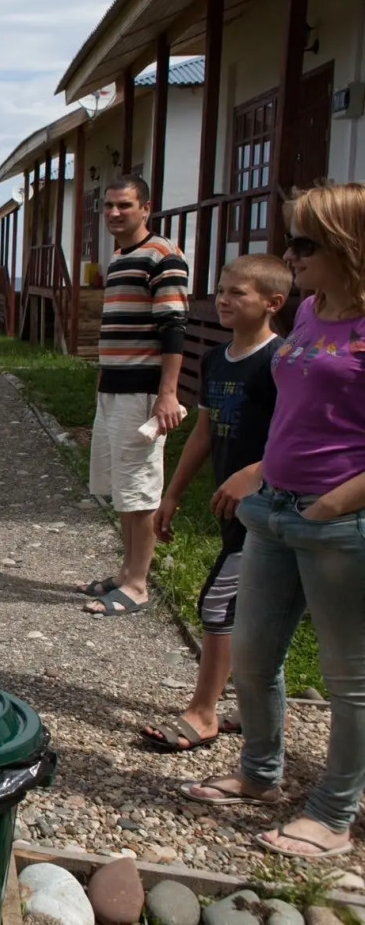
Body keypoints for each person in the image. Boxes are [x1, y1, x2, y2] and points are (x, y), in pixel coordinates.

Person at [180, 182, 365, 860]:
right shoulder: (312, 314)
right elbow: (294, 414)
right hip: (274, 509)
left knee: (350, 680)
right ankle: (260, 774)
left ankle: (333, 814)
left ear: (350, 246)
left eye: (305, 243)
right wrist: (261, 472)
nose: (291, 255)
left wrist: (335, 503)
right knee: (253, 656)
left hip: (337, 526)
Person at [142, 254, 288, 752]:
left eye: (237, 293)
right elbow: (204, 430)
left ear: (273, 303)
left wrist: (261, 472)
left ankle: (204, 713)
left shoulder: (281, 362)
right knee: (255, 615)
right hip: (230, 510)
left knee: (218, 606)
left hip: (272, 509)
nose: (224, 299)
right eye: (221, 290)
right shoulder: (216, 359)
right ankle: (255, 709)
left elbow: (299, 437)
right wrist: (173, 493)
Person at [80, 174, 191, 615]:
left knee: (141, 489)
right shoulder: (120, 257)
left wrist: (168, 393)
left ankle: (139, 584)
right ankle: (125, 573)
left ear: (147, 208)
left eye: (124, 205)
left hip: (142, 392)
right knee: (121, 487)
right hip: (114, 386)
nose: (113, 213)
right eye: (108, 206)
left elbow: (174, 328)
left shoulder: (162, 255)